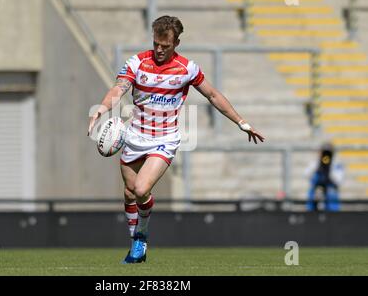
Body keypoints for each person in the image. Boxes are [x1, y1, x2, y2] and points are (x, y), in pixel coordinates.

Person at [87, 15, 265, 264]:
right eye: (156, 44)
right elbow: (119, 88)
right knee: (129, 193)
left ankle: (141, 235)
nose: (159, 50)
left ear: (177, 43)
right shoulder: (138, 62)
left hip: (164, 140)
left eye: (165, 46)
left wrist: (241, 121)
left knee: (141, 189)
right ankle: (136, 243)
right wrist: (102, 108)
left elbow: (213, 95)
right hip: (134, 135)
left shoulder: (187, 69)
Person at [305, 143, 344, 212]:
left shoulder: (336, 165)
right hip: (315, 194)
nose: (326, 156)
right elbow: (306, 175)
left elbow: (339, 181)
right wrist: (318, 163)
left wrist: (330, 168)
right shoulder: (315, 163)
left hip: (331, 196)